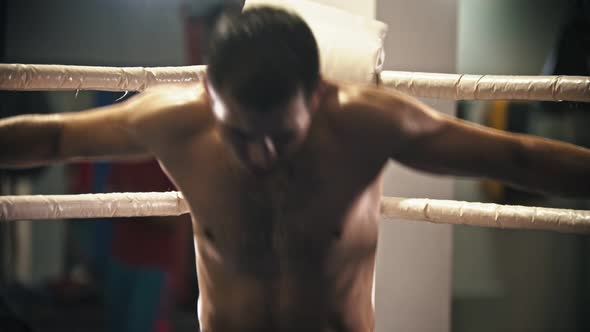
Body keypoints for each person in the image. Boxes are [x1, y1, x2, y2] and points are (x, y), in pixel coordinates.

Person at [1, 6, 589, 332]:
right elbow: (53, 135)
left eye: (282, 137)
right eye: (238, 134)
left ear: (320, 95)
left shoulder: (369, 125)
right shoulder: (173, 120)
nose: (259, 156)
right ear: (210, 94)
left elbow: (514, 156)